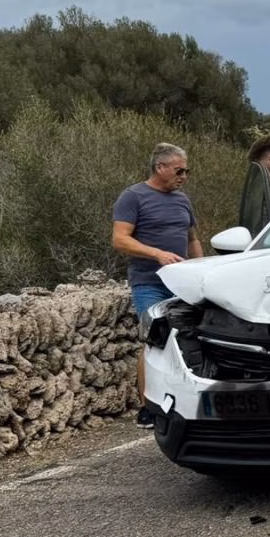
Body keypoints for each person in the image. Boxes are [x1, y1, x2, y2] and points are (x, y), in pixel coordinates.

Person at [112, 142, 202, 428]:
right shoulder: (133, 197)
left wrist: (200, 271)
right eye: (179, 170)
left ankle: (186, 399)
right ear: (160, 167)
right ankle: (147, 406)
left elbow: (192, 239)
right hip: (149, 282)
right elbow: (120, 239)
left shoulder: (182, 199)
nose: (184, 176)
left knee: (191, 339)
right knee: (155, 340)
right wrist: (157, 254)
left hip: (182, 284)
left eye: (187, 171)